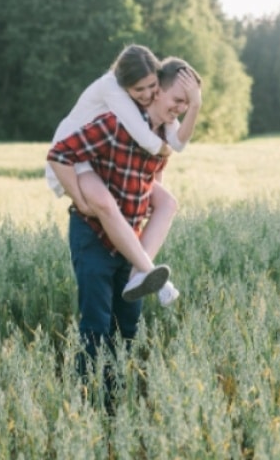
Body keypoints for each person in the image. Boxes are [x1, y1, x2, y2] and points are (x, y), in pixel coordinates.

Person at [47, 57, 197, 391]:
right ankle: (89, 400)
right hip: (94, 237)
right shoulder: (114, 123)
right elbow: (59, 154)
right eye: (177, 99)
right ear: (156, 92)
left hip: (130, 242)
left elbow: (154, 183)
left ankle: (115, 401)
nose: (180, 108)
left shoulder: (162, 138)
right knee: (96, 326)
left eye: (187, 104)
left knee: (127, 328)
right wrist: (80, 200)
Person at [45, 45, 201, 305]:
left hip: (91, 157)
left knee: (168, 203)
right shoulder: (113, 89)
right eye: (139, 89)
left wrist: (195, 104)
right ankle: (153, 275)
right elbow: (147, 141)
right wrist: (81, 202)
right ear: (125, 85)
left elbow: (177, 144)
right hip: (73, 159)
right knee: (104, 203)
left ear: (157, 81)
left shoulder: (156, 107)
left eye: (151, 86)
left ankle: (139, 273)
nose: (147, 94)